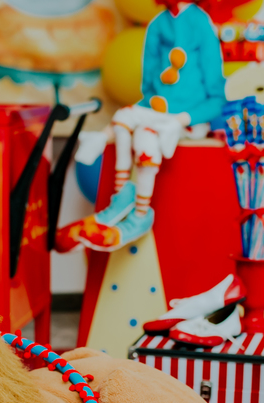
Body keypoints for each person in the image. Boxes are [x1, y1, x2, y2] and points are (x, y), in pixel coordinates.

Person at [56, 1, 226, 253]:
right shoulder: (157, 25)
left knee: (143, 135)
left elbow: (217, 99)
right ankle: (122, 196)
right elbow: (149, 89)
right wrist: (109, 131)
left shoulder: (201, 24)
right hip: (157, 113)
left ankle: (140, 215)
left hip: (188, 120)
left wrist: (181, 120)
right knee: (127, 121)